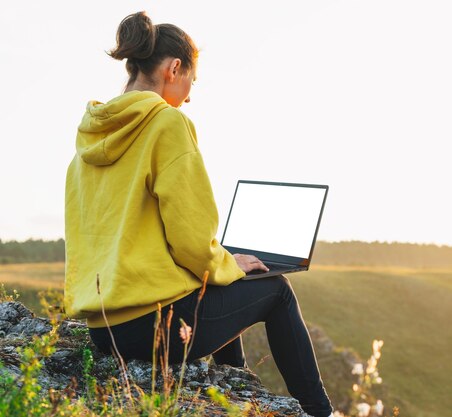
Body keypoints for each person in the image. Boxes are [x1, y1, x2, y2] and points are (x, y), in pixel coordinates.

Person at [63, 11, 333, 417]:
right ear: (174, 69)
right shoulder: (167, 123)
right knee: (275, 290)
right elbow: (191, 241)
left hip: (103, 329)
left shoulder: (91, 137)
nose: (188, 95)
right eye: (191, 80)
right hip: (154, 328)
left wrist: (222, 263)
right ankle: (318, 411)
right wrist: (226, 261)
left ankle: (236, 388)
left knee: (219, 274)